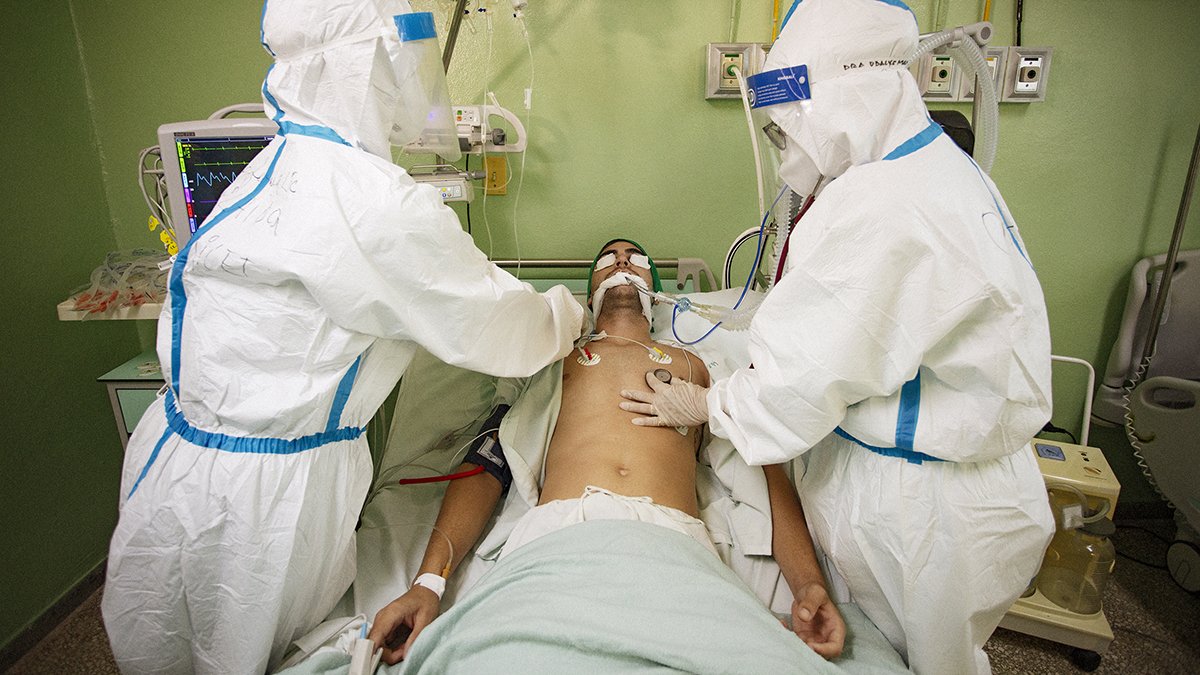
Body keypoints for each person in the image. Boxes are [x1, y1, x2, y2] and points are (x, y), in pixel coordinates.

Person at [101, 1, 583, 673]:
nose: (408, 84)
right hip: (266, 497)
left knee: (172, 640)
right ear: (368, 67)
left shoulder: (274, 165)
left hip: (179, 461)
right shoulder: (374, 202)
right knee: (246, 652)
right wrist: (569, 314)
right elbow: (503, 328)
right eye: (400, 63)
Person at [618, 2, 1055, 674]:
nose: (787, 146)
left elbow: (799, 382)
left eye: (789, 123)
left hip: (924, 510)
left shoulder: (885, 204)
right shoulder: (925, 170)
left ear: (840, 93)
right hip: (938, 485)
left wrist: (709, 405)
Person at [368, 239, 846, 665]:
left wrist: (809, 586)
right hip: (560, 540)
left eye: (636, 259)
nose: (622, 263)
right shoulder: (551, 356)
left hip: (672, 547)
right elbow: (488, 466)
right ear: (590, 291)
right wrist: (428, 585)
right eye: (608, 259)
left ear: (656, 290)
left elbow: (764, 468)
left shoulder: (697, 366)